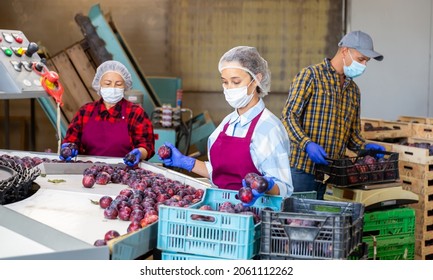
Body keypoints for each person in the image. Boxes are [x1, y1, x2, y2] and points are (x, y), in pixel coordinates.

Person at [161, 46, 293, 203]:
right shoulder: (227, 122)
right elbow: (218, 171)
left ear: (256, 79)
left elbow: (284, 188)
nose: (229, 88)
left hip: (253, 214)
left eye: (236, 82)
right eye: (225, 82)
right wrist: (185, 162)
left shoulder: (269, 128)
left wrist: (266, 186)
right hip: (220, 208)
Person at [281, 30, 385, 200]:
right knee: (297, 223)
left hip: (330, 175)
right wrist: (307, 144)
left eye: (367, 61)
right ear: (345, 51)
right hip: (301, 170)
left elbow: (352, 136)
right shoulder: (311, 76)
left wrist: (366, 149)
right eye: (361, 59)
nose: (364, 65)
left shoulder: (353, 91)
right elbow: (288, 117)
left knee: (320, 224)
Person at [60, 60, 155, 166]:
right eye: (107, 83)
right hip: (88, 172)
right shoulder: (86, 111)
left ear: (125, 87)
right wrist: (68, 148)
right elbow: (71, 139)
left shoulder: (136, 112)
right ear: (99, 85)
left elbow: (147, 146)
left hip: (125, 174)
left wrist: (139, 153)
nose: (113, 88)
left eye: (118, 84)